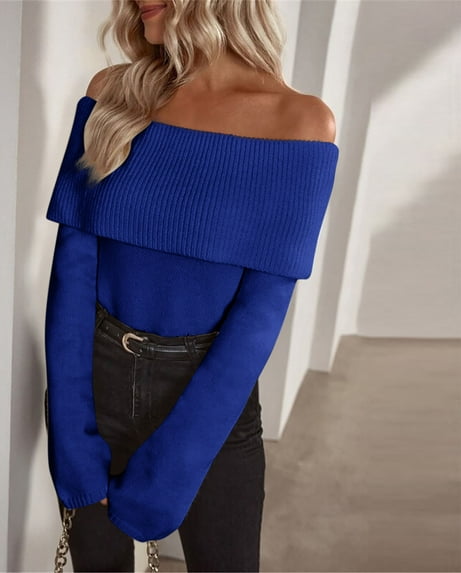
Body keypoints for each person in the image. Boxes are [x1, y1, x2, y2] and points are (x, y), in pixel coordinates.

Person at [43, 0, 339, 571]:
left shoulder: (300, 122)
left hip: (211, 400)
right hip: (93, 384)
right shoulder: (114, 94)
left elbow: (260, 313)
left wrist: (171, 471)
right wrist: (73, 438)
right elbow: (72, 271)